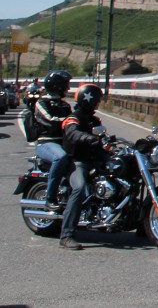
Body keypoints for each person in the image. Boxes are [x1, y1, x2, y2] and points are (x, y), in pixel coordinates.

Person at [59, 83, 109, 250]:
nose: (98, 103)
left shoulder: (94, 120)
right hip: (77, 162)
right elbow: (72, 133)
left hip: (94, 159)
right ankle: (66, 235)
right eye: (96, 100)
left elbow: (102, 138)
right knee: (79, 188)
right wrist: (88, 138)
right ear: (88, 99)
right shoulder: (73, 117)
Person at [34, 70, 73, 211]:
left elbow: (74, 121)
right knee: (60, 157)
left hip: (64, 143)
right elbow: (50, 120)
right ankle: (50, 198)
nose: (68, 88)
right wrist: (70, 121)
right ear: (57, 86)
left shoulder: (65, 105)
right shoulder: (42, 103)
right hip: (47, 143)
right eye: (65, 85)